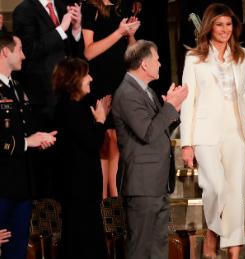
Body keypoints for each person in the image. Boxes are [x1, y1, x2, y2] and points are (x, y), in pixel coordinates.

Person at [180, 3, 245, 258]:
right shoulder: (194, 58)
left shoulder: (242, 56)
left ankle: (234, 253)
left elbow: (241, 94)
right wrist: (187, 143)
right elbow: (188, 101)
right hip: (205, 132)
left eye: (229, 24)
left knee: (235, 192)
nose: (225, 29)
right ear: (209, 26)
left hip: (234, 132)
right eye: (219, 24)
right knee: (215, 188)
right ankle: (213, 233)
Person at [112, 40, 188, 259]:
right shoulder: (127, 93)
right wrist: (170, 107)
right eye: (156, 59)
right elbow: (147, 132)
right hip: (142, 185)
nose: (160, 64)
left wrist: (173, 109)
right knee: (141, 248)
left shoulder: (146, 91)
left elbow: (159, 130)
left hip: (156, 183)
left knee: (157, 247)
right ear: (144, 64)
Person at [0, 33, 57, 259]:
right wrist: (27, 142)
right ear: (5, 51)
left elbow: (24, 128)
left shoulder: (16, 87)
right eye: (20, 49)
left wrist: (38, 139)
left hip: (21, 185)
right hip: (1, 186)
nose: (24, 55)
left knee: (17, 251)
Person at [52, 57, 110, 259]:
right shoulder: (68, 109)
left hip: (83, 192)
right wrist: (101, 121)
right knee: (82, 244)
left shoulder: (77, 107)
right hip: (77, 192)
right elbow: (92, 143)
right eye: (86, 75)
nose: (91, 79)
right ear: (74, 79)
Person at [81, 0, 140, 198]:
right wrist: (119, 33)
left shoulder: (122, 7)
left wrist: (130, 35)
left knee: (116, 138)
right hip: (99, 81)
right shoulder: (90, 8)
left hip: (120, 81)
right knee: (103, 139)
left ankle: (114, 197)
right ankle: (102, 196)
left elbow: (132, 53)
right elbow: (88, 52)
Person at [13, 0, 82, 128]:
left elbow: (70, 50)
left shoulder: (62, 6)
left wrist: (76, 28)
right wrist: (61, 29)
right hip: (43, 95)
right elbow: (30, 50)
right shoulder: (24, 10)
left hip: (67, 90)